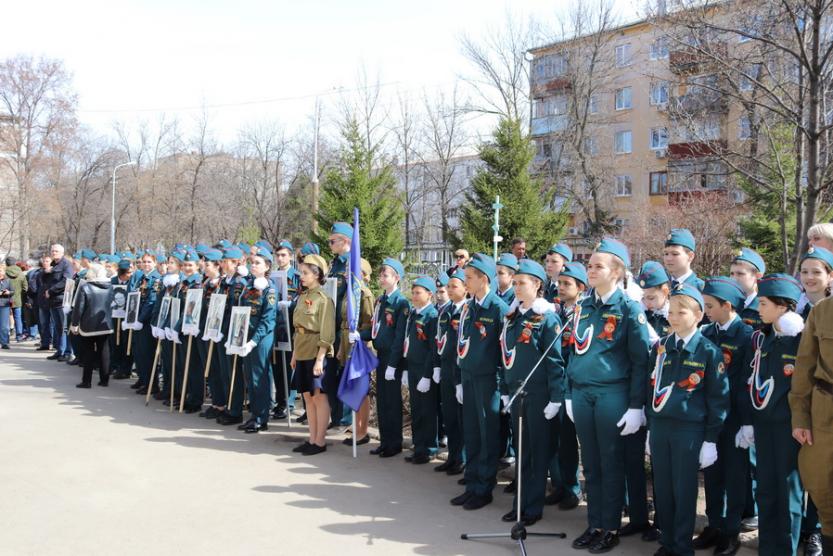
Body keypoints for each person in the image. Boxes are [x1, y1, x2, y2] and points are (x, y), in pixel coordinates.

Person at [566, 238, 651, 553]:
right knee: (590, 463)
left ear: (616, 272)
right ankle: (595, 523)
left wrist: (635, 406)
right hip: (583, 393)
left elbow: (641, 360)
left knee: (610, 462)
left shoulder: (628, 308)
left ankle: (611, 526)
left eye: (597, 266)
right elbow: (573, 352)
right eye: (589, 265)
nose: (590, 269)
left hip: (612, 394)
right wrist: (568, 392)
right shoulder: (584, 306)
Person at [647, 284, 728, 556]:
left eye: (681, 312)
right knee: (663, 489)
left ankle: (682, 547)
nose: (673, 317)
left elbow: (718, 399)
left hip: (689, 431)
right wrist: (650, 426)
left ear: (698, 315)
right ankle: (668, 542)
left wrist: (710, 440)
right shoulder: (661, 347)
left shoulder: (708, 351)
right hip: (661, 427)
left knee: (683, 492)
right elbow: (652, 388)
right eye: (670, 311)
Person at [736, 274, 805, 556]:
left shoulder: (799, 341)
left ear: (782, 307)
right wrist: (748, 422)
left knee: (788, 492)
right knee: (765, 489)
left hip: (789, 428)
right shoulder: (761, 339)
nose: (759, 309)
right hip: (763, 426)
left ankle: (785, 549)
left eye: (764, 304)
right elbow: (750, 381)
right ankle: (768, 547)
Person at [498, 259, 564, 526]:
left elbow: (555, 361)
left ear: (537, 285)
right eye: (514, 283)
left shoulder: (547, 318)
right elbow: (505, 356)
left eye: (521, 283)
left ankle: (533, 507)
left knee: (536, 453)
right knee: (522, 451)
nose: (516, 287)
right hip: (517, 395)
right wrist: (504, 389)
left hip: (538, 396)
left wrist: (557, 398)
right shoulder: (513, 316)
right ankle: (519, 504)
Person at [696, 277, 754, 555]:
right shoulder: (707, 334)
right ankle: (714, 525)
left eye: (709, 305)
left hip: (733, 420)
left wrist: (746, 422)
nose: (705, 310)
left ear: (727, 306)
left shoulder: (746, 337)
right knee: (712, 474)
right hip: (710, 418)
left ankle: (731, 531)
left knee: (734, 476)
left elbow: (746, 383)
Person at [450, 253, 509, 511]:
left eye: (469, 277)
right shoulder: (469, 306)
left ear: (483, 279)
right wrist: (460, 379)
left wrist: (504, 387)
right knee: (472, 434)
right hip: (469, 376)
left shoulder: (498, 309)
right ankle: (472, 484)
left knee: (487, 436)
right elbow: (462, 344)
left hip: (488, 380)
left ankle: (484, 488)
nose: (466, 281)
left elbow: (505, 352)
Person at [794, 247, 833, 556]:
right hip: (824, 410)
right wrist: (801, 418)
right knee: (820, 485)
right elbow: (804, 369)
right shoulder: (822, 312)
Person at [546, 262, 587, 512]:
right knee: (553, 438)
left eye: (566, 284)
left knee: (568, 441)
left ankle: (572, 488)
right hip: (553, 382)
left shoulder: (584, 314)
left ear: (580, 287)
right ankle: (558, 484)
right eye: (560, 283)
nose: (560, 288)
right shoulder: (555, 312)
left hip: (571, 385)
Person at [291, 254, 335, 456]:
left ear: (317, 275)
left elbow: (327, 332)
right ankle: (311, 438)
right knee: (307, 397)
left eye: (305, 273)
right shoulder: (303, 296)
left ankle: (320, 441)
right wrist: (294, 354)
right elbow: (297, 328)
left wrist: (320, 358)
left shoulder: (324, 300)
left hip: (316, 351)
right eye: (302, 272)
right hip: (301, 349)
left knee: (318, 397)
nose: (302, 276)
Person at [364, 258, 409, 458]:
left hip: (392, 358)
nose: (381, 278)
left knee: (392, 401)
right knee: (382, 401)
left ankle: (394, 442)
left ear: (396, 278)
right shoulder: (381, 300)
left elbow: (399, 336)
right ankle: (384, 441)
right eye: (381, 275)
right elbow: (377, 329)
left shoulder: (401, 302)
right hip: (380, 355)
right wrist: (360, 335)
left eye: (386, 275)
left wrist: (393, 363)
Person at [237, 247, 277, 433]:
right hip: (246, 337)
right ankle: (254, 415)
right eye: (252, 263)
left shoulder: (269, 289)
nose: (253, 266)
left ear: (267, 266)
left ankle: (262, 418)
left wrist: (253, 341)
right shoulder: (248, 285)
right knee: (249, 376)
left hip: (260, 339)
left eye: (258, 263)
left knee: (259, 377)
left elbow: (268, 320)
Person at [403, 276, 440, 464]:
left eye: (418, 293)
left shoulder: (432, 316)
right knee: (416, 409)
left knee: (427, 410)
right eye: (413, 292)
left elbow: (432, 349)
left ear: (429, 294)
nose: (414, 296)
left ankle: (430, 448)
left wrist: (427, 374)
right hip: (413, 366)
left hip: (425, 369)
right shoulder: (414, 313)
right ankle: (418, 446)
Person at [338, 257, 374, 446]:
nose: (346, 274)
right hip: (346, 342)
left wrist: (359, 335)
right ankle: (355, 425)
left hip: (359, 346)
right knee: (353, 387)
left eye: (350, 271)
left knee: (362, 390)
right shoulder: (349, 293)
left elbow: (369, 323)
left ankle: (363, 430)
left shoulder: (364, 294)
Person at [434, 269, 466, 476]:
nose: (450, 290)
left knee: (461, 419)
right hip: (446, 369)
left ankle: (462, 459)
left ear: (465, 288)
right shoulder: (446, 311)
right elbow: (439, 340)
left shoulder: (467, 311)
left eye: (455, 286)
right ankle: (453, 457)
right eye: (449, 286)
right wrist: (437, 366)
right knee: (449, 418)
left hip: (460, 371)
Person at [215, 246, 249, 426]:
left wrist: (226, 330)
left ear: (235, 263)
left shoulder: (239, 283)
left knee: (233, 372)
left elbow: (236, 310)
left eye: (225, 261)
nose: (221, 264)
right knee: (225, 373)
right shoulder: (224, 281)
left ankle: (235, 410)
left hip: (231, 333)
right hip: (220, 332)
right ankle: (229, 406)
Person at [68, 263, 114, 388]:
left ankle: (86, 381)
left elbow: (79, 308)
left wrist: (74, 323)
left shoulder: (86, 287)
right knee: (104, 351)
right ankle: (105, 380)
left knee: (88, 352)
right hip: (105, 323)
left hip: (88, 325)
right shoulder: (110, 287)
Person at [326, 222, 352, 429]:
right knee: (330, 376)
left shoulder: (352, 265)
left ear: (346, 241)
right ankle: (335, 417)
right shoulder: (334, 264)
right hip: (330, 326)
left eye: (333, 240)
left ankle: (344, 419)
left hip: (344, 328)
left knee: (344, 374)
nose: (330, 244)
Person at [270, 240, 299, 420]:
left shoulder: (296, 275)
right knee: (277, 366)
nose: (280, 258)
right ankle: (279, 400)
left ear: (290, 256)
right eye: (278, 255)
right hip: (276, 325)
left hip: (290, 324)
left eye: (283, 255)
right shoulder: (273, 275)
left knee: (288, 365)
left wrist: (291, 304)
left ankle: (288, 402)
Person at [196, 249, 224, 418]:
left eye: (207, 265)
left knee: (217, 368)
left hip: (216, 331)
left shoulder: (222, 284)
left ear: (216, 265)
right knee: (210, 368)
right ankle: (215, 403)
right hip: (204, 330)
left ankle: (221, 403)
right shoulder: (206, 283)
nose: (204, 267)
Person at [132, 251, 161, 396]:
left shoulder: (156, 279)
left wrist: (140, 319)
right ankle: (142, 379)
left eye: (149, 262)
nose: (146, 264)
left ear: (154, 263)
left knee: (147, 354)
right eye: (144, 262)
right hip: (138, 320)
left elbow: (151, 302)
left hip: (146, 322)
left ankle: (151, 383)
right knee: (138, 352)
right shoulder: (141, 278)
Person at [43, 244, 74, 361]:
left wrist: (51, 290)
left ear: (62, 252)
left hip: (61, 300)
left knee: (64, 327)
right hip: (52, 300)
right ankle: (59, 350)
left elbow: (66, 280)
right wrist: (46, 272)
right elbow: (46, 279)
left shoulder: (66, 264)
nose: (53, 253)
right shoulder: (53, 264)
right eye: (52, 251)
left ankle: (67, 352)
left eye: (56, 251)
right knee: (58, 327)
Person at [109, 259, 134, 380]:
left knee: (125, 343)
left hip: (127, 317)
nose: (129, 275)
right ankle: (114, 365)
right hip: (114, 316)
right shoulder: (113, 281)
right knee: (114, 342)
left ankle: (125, 368)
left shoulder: (132, 282)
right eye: (127, 273)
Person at [730, 248, 765, 329]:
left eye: (740, 274)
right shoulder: (727, 303)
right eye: (732, 273)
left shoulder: (763, 309)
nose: (733, 278)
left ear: (757, 276)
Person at [4, 257, 27, 343]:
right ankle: (19, 337)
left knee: (5, 319)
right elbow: (25, 288)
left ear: (7, 263)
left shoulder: (4, 273)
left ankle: (5, 338)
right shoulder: (21, 273)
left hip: (4, 299)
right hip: (18, 299)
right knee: (18, 318)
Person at [0, 265, 13, 349]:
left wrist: (9, 292)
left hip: (4, 305)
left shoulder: (8, 281)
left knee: (4, 325)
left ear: (4, 272)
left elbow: (13, 291)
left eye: (1, 270)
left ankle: (4, 342)